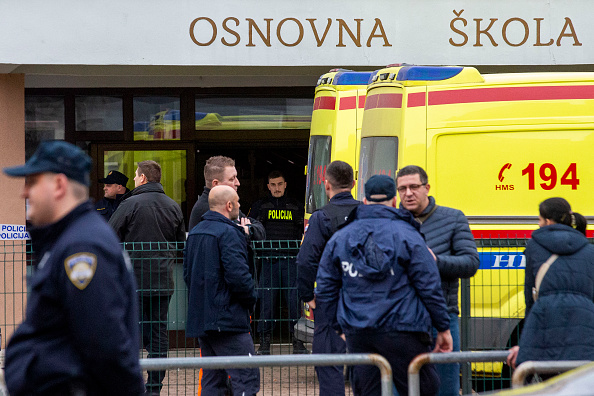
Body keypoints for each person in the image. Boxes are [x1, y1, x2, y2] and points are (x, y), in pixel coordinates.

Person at [2, 141, 144, 396]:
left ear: (58, 185)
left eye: (32, 182)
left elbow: (106, 347)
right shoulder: (69, 239)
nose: (24, 193)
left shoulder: (82, 247)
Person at [316, 175, 452, 396]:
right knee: (423, 388)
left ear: (365, 201)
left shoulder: (341, 238)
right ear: (395, 201)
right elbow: (429, 285)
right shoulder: (408, 235)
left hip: (360, 332)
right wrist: (443, 327)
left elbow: (324, 288)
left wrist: (339, 326)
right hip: (404, 330)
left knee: (369, 391)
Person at [396, 165, 479, 396]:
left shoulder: (452, 218)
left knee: (445, 389)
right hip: (399, 319)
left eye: (414, 187)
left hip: (441, 317)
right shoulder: (393, 222)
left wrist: (434, 261)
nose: (408, 193)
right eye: (402, 188)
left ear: (427, 187)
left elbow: (471, 263)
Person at [109, 160, 186, 396]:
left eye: (135, 176)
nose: (133, 180)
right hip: (163, 280)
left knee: (131, 332)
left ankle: (131, 385)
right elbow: (180, 243)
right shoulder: (173, 206)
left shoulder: (129, 204)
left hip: (134, 281)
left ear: (142, 178)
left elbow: (110, 233)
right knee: (159, 334)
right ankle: (154, 387)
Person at [183, 185, 260, 395]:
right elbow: (239, 277)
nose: (240, 206)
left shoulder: (196, 233)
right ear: (229, 205)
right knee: (246, 378)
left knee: (212, 380)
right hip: (229, 320)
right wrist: (252, 300)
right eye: (238, 202)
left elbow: (188, 275)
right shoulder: (229, 233)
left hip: (203, 319)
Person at [296, 160, 361, 395]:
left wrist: (308, 296)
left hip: (331, 300)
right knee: (367, 363)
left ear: (326, 185)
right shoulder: (366, 214)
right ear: (354, 184)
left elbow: (305, 260)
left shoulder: (321, 217)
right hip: (367, 299)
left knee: (329, 362)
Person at [507, 198, 594, 370]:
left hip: (546, 315)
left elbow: (530, 293)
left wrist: (528, 334)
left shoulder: (534, 246)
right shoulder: (588, 249)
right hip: (584, 317)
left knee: (549, 376)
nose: (538, 224)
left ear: (547, 220)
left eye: (539, 219)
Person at [250, 171, 307, 355]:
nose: (276, 188)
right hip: (268, 261)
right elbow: (252, 231)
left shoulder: (297, 206)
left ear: (285, 184)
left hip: (291, 261)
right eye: (273, 185)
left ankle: (298, 343)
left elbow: (304, 233)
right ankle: (264, 344)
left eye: (279, 184)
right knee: (267, 304)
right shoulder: (260, 206)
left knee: (294, 304)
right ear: (268, 186)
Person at [187, 155, 265, 241]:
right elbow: (233, 239)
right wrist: (244, 230)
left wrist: (248, 229)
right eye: (232, 179)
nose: (238, 183)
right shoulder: (210, 208)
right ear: (216, 184)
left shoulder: (225, 203)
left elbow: (260, 231)